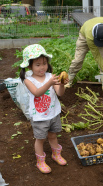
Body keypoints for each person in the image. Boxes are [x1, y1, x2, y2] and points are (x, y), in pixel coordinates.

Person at [19, 44, 68, 174]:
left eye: (44, 63)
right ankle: (40, 161)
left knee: (53, 135)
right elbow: (37, 93)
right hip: (39, 116)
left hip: (53, 113)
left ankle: (56, 154)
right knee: (40, 139)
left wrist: (62, 84)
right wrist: (50, 83)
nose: (42, 67)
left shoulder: (50, 76)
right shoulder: (28, 80)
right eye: (38, 64)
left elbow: (60, 93)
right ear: (29, 66)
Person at [66, 17, 103, 91]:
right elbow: (97, 56)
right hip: (84, 36)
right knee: (78, 60)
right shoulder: (89, 36)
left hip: (100, 36)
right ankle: (68, 81)